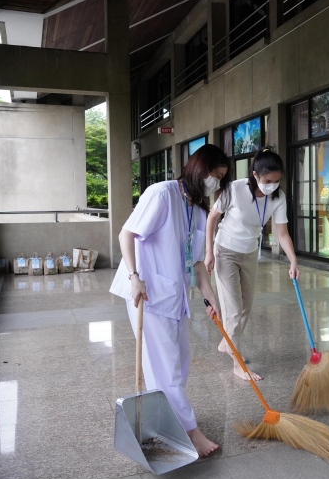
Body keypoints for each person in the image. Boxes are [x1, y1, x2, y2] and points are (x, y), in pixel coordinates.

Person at [110, 144, 230, 456]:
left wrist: (210, 298)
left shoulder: (199, 210)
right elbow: (127, 235)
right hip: (147, 293)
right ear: (199, 169)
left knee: (179, 362)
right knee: (165, 367)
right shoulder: (162, 194)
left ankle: (165, 418)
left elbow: (198, 264)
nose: (215, 183)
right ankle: (189, 432)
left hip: (174, 295)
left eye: (220, 179)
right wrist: (135, 276)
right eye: (215, 176)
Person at [205, 149, 300, 381]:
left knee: (246, 306)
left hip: (249, 253)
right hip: (225, 251)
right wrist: (209, 252)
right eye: (268, 181)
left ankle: (226, 343)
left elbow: (282, 233)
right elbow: (212, 218)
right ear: (255, 174)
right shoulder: (235, 189)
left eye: (277, 181)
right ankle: (238, 365)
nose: (272, 185)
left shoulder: (278, 197)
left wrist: (293, 259)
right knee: (234, 309)